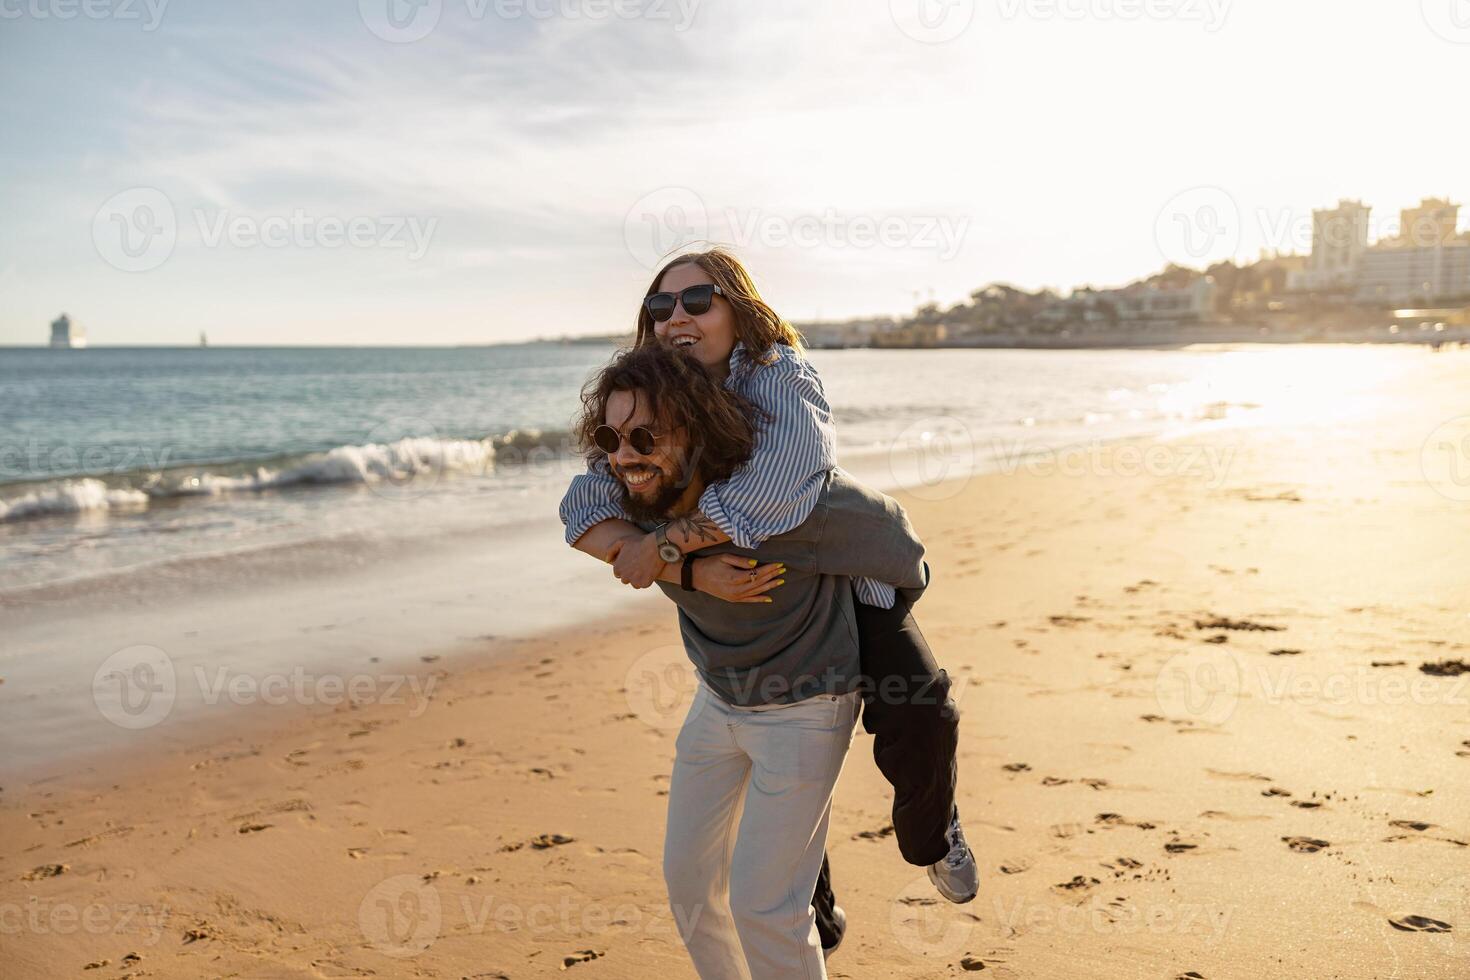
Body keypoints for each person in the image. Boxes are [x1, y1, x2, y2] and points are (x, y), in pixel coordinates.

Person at [560, 250, 977, 950]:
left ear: (738, 309)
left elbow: (778, 489)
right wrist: (692, 572)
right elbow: (590, 502)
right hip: (761, 621)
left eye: (699, 300)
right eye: (661, 307)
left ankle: (934, 835)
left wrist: (664, 547)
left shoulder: (778, 374)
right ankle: (817, 906)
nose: (678, 318)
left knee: (919, 704)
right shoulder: (651, 400)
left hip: (848, 566)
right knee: (779, 802)